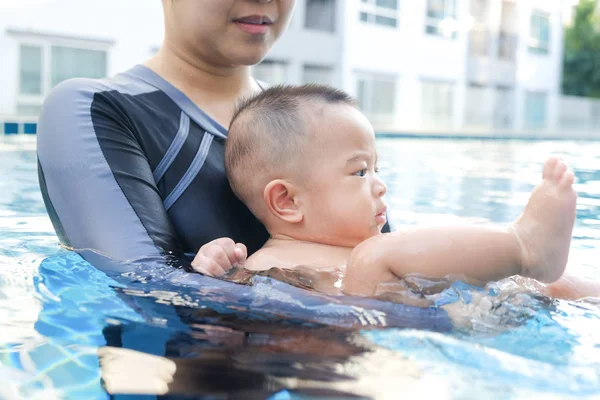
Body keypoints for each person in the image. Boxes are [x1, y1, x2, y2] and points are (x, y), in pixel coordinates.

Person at [38, 0, 393, 276]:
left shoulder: (317, 121)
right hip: (185, 368)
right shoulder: (98, 108)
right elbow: (141, 285)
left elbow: (389, 259)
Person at [224, 84, 600, 301]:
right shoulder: (262, 266)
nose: (379, 183)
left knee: (543, 284)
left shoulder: (366, 248)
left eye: (376, 168)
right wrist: (216, 262)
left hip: (442, 309)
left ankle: (546, 266)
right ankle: (524, 245)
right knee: (374, 257)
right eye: (359, 171)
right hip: (368, 330)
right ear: (288, 202)